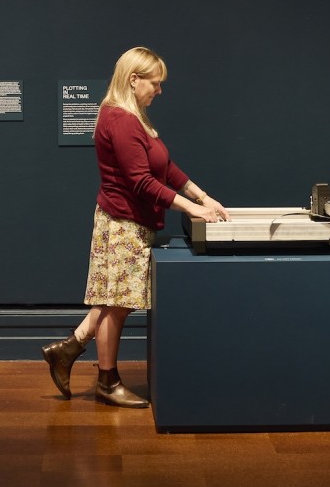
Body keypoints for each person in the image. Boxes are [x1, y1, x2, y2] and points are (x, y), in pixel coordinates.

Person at [42, 46, 227, 407]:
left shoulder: (130, 116)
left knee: (114, 300)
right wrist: (192, 208)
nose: (159, 90)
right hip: (122, 224)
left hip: (127, 222)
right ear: (133, 80)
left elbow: (165, 168)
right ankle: (106, 381)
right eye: (155, 83)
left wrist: (204, 197)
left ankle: (68, 350)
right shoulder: (122, 120)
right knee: (118, 304)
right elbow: (142, 182)